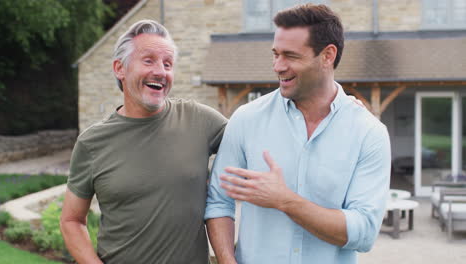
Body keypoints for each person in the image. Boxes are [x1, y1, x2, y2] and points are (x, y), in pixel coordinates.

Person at [205, 4, 391, 264]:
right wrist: (227, 261)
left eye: (290, 56)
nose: (278, 66)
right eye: (275, 54)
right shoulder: (247, 119)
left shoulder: (368, 133)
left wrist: (286, 201)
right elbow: (218, 203)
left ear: (327, 56)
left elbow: (364, 232)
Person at [60, 20, 227, 264]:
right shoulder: (92, 143)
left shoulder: (201, 121)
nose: (160, 71)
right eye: (148, 60)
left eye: (167, 64)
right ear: (120, 68)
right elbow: (71, 220)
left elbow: (252, 145)